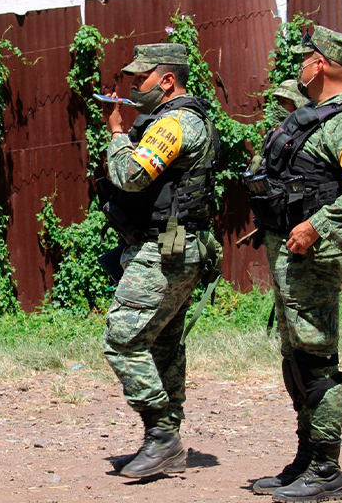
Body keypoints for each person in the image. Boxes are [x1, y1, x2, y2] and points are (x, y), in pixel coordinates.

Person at [245, 27, 342, 502]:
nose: (301, 66)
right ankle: (307, 458)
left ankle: (328, 470)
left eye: (307, 58)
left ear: (324, 64)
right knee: (297, 359)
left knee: (318, 361)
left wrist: (316, 226)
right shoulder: (320, 117)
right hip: (293, 258)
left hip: (315, 256)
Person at [99, 43, 221, 479]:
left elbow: (131, 176)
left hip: (168, 246)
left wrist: (116, 133)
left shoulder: (175, 123)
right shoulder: (180, 119)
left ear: (167, 80)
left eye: (141, 78)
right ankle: (165, 438)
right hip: (177, 241)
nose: (133, 86)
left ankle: (161, 434)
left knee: (123, 339)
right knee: (164, 342)